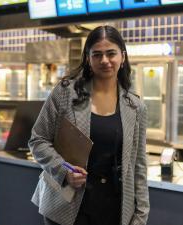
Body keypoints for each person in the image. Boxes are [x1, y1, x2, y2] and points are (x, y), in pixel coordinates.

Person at [28, 25, 150, 225]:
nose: (105, 60)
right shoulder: (65, 93)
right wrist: (64, 171)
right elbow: (38, 139)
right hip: (66, 206)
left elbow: (138, 165)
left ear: (123, 57)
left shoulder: (135, 106)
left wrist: (141, 215)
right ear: (88, 58)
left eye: (111, 53)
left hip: (115, 207)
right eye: (97, 54)